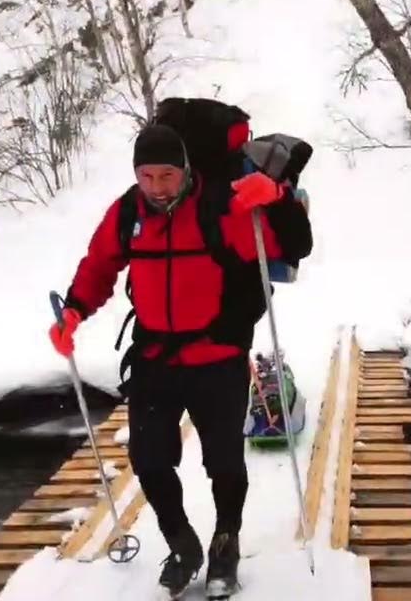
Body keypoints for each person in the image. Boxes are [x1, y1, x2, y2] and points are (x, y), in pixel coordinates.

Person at [47, 101, 313, 598]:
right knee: (148, 458)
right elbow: (100, 264)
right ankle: (183, 544)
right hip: (156, 358)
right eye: (146, 175)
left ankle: (226, 543)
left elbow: (291, 245)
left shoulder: (218, 207)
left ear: (185, 170)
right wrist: (74, 312)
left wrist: (275, 198)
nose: (156, 186)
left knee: (224, 462)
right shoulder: (128, 211)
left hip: (216, 355)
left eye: (166, 175)